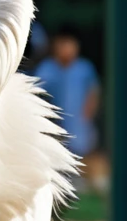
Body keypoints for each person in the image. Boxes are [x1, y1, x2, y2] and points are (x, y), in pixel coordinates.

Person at [35, 26, 101, 164]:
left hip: (80, 121)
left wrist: (88, 114)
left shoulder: (84, 68)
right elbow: (36, 92)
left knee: (81, 156)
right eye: (61, 44)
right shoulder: (47, 68)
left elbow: (93, 92)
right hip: (54, 122)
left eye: (68, 44)